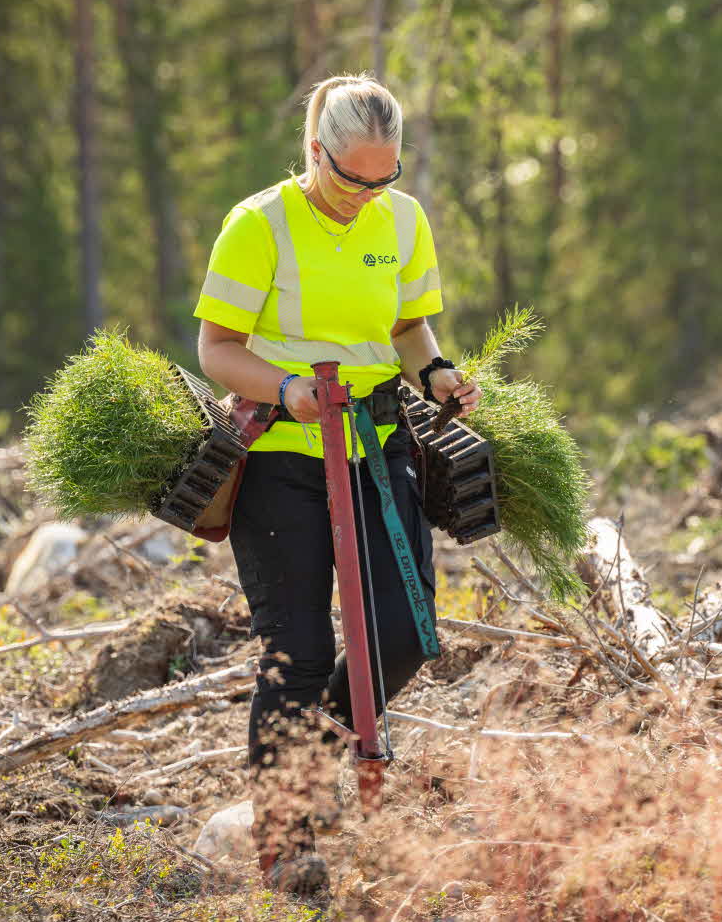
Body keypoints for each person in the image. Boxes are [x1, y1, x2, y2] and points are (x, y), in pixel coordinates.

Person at [193, 74, 480, 893]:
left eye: (383, 177)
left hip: (376, 451)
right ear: (316, 152)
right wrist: (286, 389)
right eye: (352, 177)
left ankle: (311, 754)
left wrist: (438, 373)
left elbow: (406, 326)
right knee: (301, 649)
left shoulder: (403, 219)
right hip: (282, 458)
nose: (367, 193)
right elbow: (218, 347)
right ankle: (285, 846)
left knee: (408, 630)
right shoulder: (259, 225)